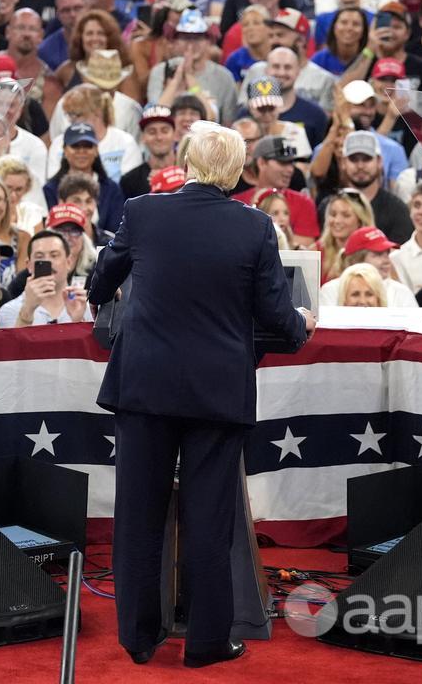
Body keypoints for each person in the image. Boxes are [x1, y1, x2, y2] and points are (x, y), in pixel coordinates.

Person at [87, 122, 312, 669]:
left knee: (138, 516)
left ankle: (139, 639)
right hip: (216, 393)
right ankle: (208, 642)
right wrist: (302, 324)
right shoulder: (255, 227)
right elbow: (279, 320)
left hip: (144, 388)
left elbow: (99, 287)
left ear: (187, 162)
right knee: (209, 518)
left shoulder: (141, 212)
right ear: (237, 175)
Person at [0, 230, 92, 327]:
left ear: (69, 262)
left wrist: (77, 321)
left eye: (54, 255)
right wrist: (27, 310)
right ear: (29, 265)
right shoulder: (10, 310)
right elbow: (13, 343)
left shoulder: (85, 309)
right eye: (39, 256)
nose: (47, 261)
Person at [337, 131, 411, 243]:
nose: (360, 166)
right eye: (354, 159)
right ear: (343, 163)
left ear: (379, 161)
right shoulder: (330, 208)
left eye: (367, 158)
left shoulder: (398, 210)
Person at [317, 225, 416, 307]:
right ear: (356, 260)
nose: (387, 261)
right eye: (378, 255)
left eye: (387, 254)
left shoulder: (402, 292)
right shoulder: (331, 290)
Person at [317, 189, 375, 282]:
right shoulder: (316, 251)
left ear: (361, 221)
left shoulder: (375, 253)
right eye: (333, 214)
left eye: (346, 215)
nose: (337, 221)